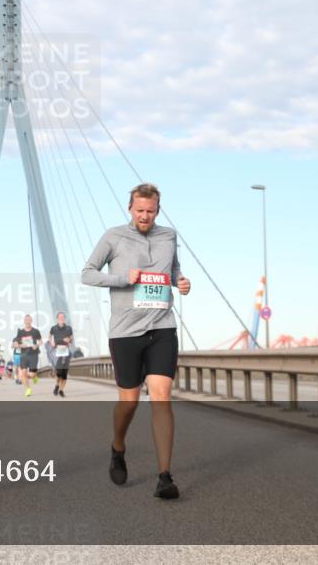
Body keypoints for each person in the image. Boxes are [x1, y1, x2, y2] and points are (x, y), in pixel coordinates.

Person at [82, 183, 191, 500]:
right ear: (130, 207)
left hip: (162, 327)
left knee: (161, 395)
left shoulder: (168, 236)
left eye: (151, 211)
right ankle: (118, 447)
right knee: (128, 401)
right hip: (126, 332)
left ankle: (165, 476)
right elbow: (87, 273)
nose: (145, 216)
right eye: (140, 210)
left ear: (158, 209)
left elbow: (173, 272)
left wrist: (181, 283)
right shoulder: (113, 237)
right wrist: (120, 278)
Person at [12, 314, 42, 397]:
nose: (28, 321)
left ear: (31, 321)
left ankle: (34, 376)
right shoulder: (21, 332)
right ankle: (28, 389)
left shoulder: (36, 331)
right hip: (24, 355)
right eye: (26, 320)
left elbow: (40, 341)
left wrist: (37, 345)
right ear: (24, 321)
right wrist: (20, 345)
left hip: (33, 355)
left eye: (29, 320)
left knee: (32, 374)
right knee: (23, 373)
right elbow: (15, 343)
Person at [49, 312, 74, 398]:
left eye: (63, 317)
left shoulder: (68, 328)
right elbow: (49, 336)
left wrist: (69, 340)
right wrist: (51, 342)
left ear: (65, 318)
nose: (61, 318)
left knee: (64, 373)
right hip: (57, 351)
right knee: (59, 372)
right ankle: (57, 384)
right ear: (57, 318)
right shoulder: (53, 328)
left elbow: (71, 338)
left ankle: (61, 390)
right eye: (60, 317)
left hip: (66, 352)